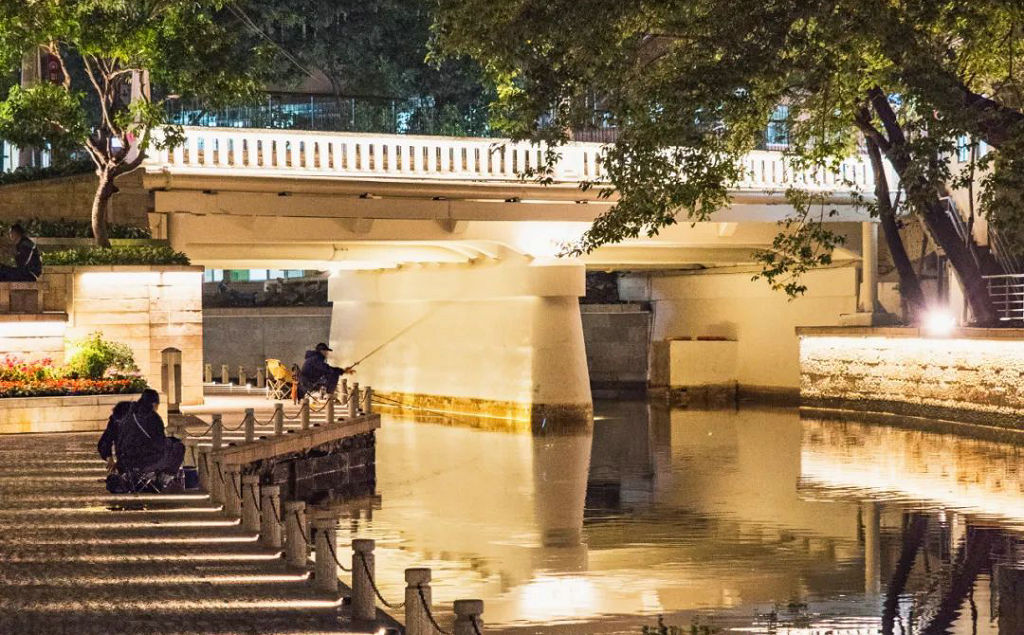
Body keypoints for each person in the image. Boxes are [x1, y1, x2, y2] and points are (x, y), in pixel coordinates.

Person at [97, 389, 185, 491]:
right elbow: (159, 444)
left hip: (124, 464)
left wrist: (110, 459)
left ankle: (145, 480)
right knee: (178, 447)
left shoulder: (120, 414)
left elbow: (104, 441)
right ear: (153, 404)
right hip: (147, 463)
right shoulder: (153, 418)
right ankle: (161, 482)